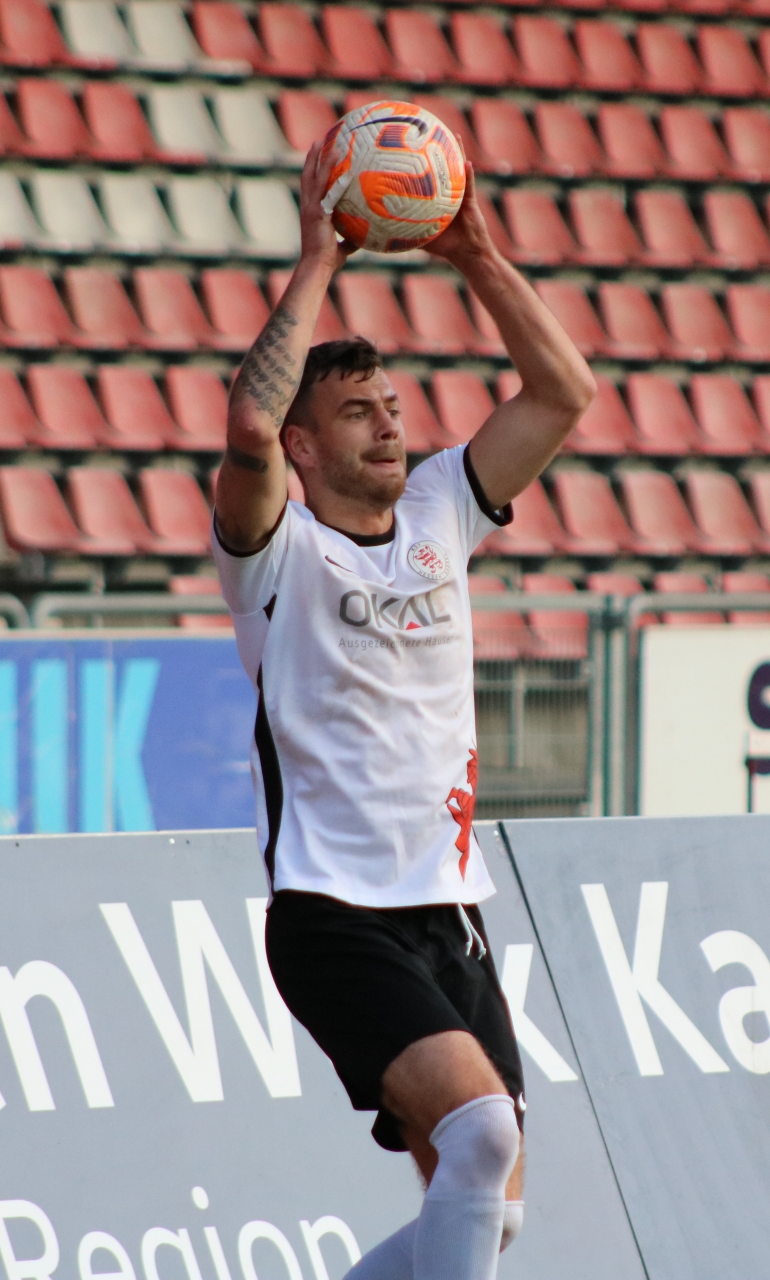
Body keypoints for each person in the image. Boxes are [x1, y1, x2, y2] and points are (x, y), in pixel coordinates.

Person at [210, 136, 596, 1280]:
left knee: (486, 1204)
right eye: (357, 411)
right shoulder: (276, 551)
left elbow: (564, 393)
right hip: (334, 911)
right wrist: (318, 259)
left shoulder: (440, 508)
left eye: (392, 404)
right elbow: (245, 430)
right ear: (305, 444)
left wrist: (475, 251)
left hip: (449, 908)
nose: (389, 423)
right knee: (480, 1132)